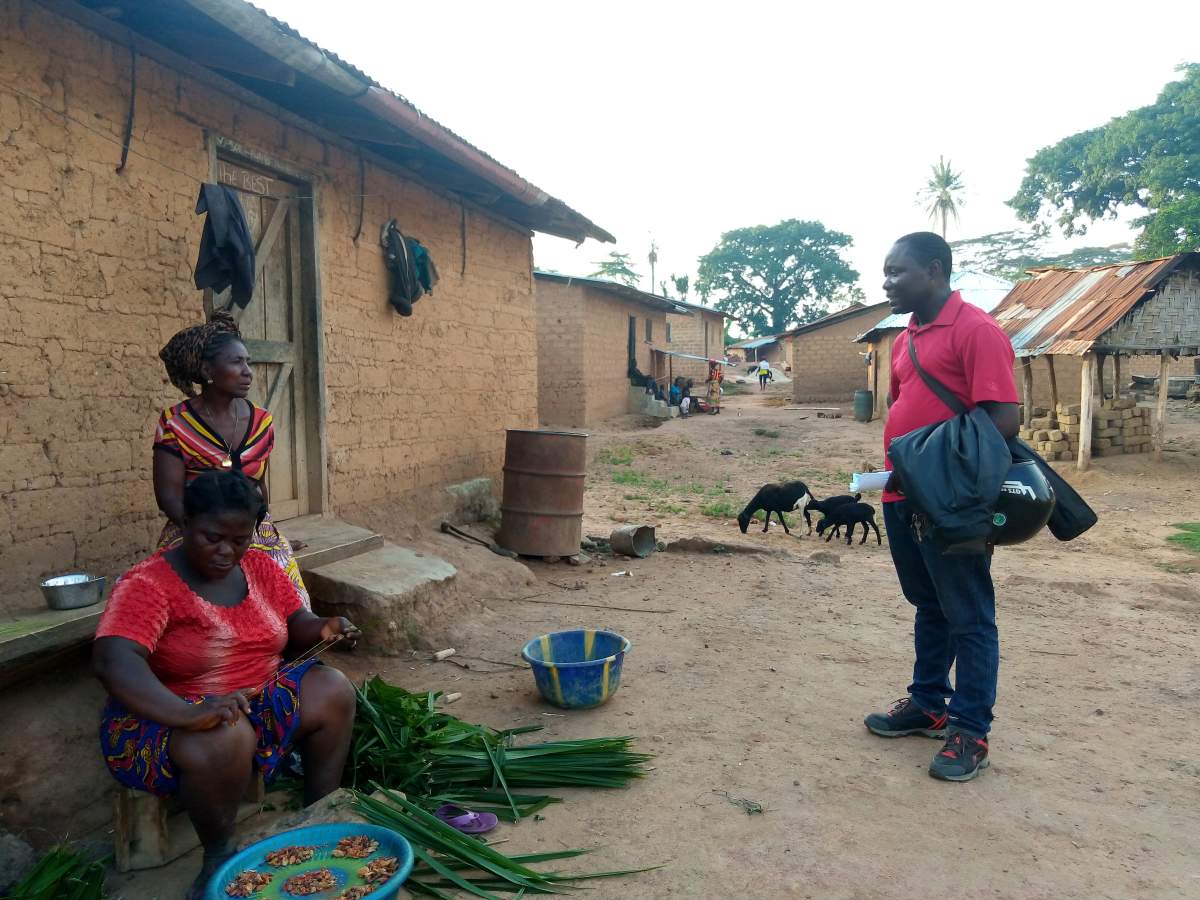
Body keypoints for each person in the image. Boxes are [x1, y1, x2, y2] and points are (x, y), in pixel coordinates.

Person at [94, 470, 361, 898]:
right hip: (162, 718)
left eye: (239, 540)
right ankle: (219, 852)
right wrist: (187, 713)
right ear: (185, 526)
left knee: (333, 690)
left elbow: (297, 626)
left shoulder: (260, 568)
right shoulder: (148, 584)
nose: (226, 551)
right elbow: (113, 660)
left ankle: (319, 812)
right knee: (224, 732)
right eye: (212, 537)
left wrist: (325, 627)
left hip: (254, 698)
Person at [864, 232, 1019, 782]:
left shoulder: (976, 330)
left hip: (951, 504)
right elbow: (902, 406)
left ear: (934, 270)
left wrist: (940, 477)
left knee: (970, 615)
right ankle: (929, 701)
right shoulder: (905, 336)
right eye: (885, 272)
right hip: (900, 497)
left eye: (896, 272)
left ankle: (970, 730)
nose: (886, 282)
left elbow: (1002, 421)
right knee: (929, 604)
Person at [155, 313, 310, 608]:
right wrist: (205, 538)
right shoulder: (175, 424)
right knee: (192, 605)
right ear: (207, 369)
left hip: (251, 532)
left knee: (290, 603)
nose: (247, 371)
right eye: (237, 363)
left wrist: (269, 533)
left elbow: (260, 490)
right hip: (195, 530)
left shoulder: (262, 422)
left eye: (247, 362)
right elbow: (168, 496)